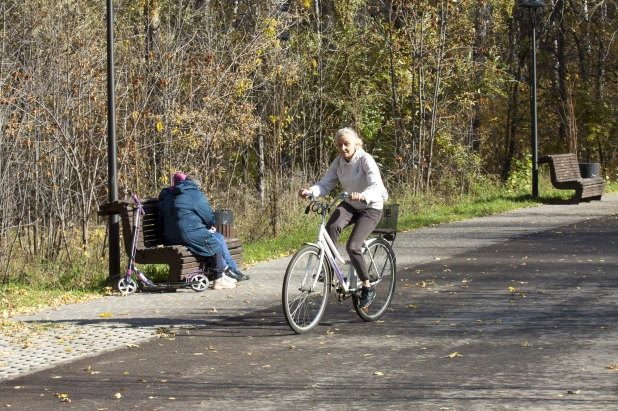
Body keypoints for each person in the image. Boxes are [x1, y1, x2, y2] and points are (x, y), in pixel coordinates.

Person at [299, 127, 388, 308]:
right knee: (331, 227)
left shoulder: (365, 160)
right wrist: (311, 191)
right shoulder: (338, 162)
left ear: (355, 143)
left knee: (353, 246)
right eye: (340, 145)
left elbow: (376, 185)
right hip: (350, 203)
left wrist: (363, 195)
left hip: (370, 206)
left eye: (347, 144)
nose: (343, 148)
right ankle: (330, 270)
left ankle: (366, 285)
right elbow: (326, 184)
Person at [159, 173, 249, 282]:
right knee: (214, 242)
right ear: (198, 185)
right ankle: (223, 273)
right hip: (186, 234)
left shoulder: (171, 194)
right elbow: (208, 216)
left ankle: (232, 268)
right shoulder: (195, 193)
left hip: (171, 235)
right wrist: (208, 226)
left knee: (218, 236)